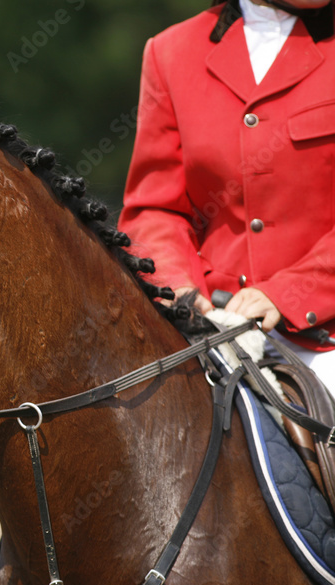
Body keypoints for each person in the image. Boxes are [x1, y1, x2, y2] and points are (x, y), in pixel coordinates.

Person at [119, 0, 335, 388]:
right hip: (214, 324)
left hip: (325, 337)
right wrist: (178, 289)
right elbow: (156, 208)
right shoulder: (171, 51)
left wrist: (286, 294)